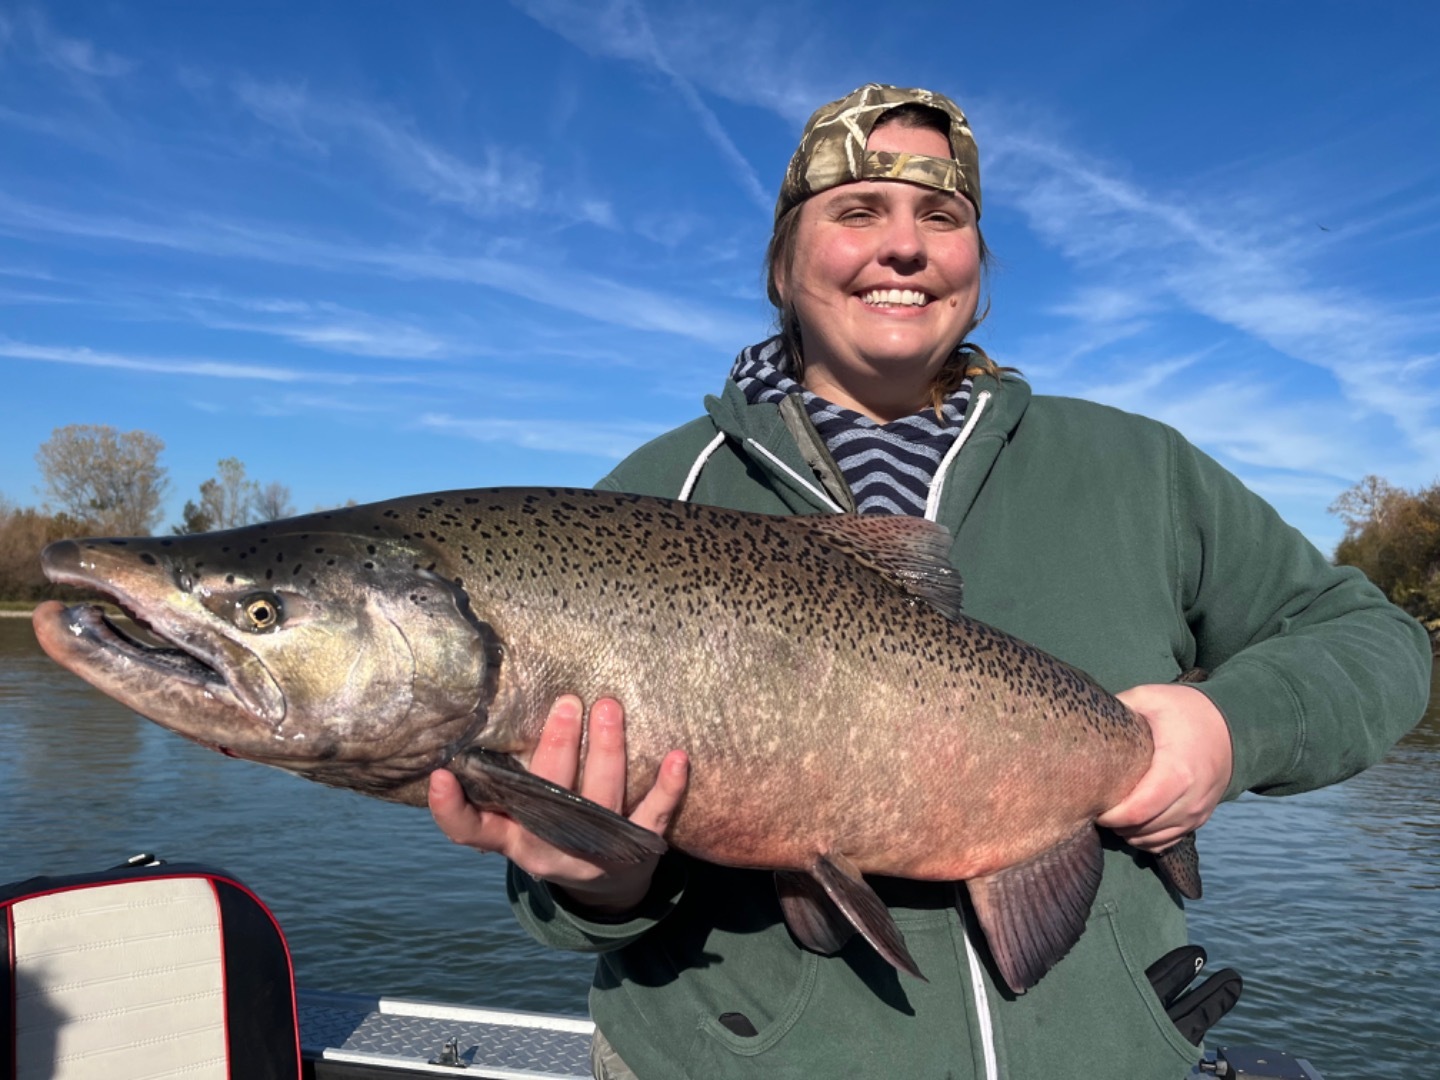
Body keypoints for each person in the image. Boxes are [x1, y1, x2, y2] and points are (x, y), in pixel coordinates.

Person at [428, 83, 1431, 1079]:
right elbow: (563, 914)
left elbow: (1375, 642)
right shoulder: (647, 502)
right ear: (782, 263)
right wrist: (601, 882)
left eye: (941, 217)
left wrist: (1227, 731)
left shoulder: (1139, 469)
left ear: (977, 265)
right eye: (856, 210)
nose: (902, 247)